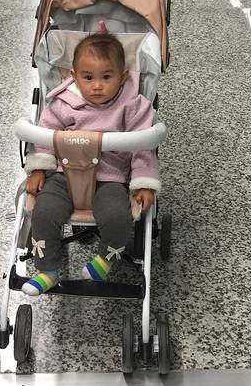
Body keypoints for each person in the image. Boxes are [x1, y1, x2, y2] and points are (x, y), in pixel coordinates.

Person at [22, 28, 159, 296]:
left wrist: (144, 182)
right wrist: (38, 168)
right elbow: (44, 136)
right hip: (63, 174)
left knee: (118, 216)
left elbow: (143, 145)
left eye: (106, 77)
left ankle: (106, 258)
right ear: (74, 76)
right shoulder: (63, 104)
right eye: (88, 77)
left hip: (110, 178)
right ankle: (47, 270)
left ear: (122, 77)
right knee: (44, 212)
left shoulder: (132, 106)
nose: (97, 85)